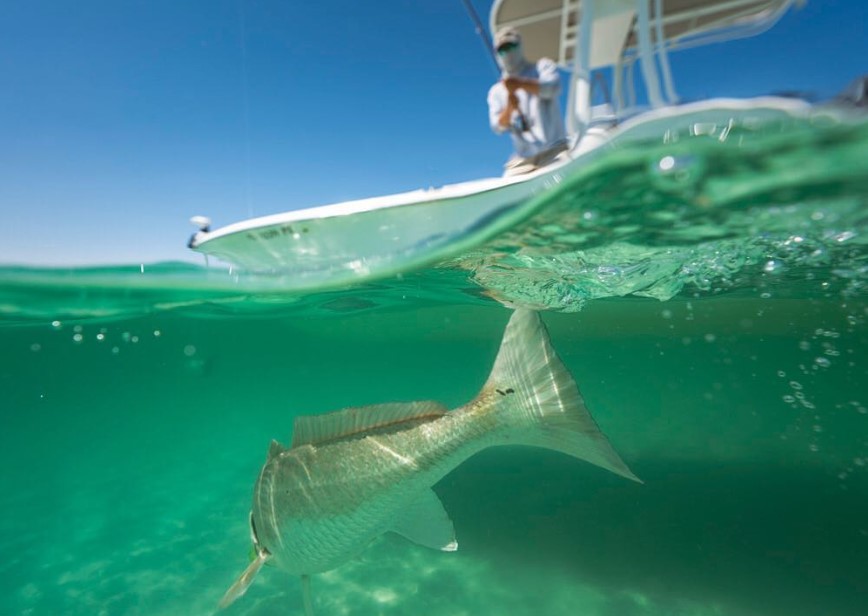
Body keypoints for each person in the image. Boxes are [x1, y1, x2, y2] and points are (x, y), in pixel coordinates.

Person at [487, 27, 567, 176]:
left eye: (511, 46)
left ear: (520, 46)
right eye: (502, 50)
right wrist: (510, 107)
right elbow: (497, 126)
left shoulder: (542, 66)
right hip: (523, 159)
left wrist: (520, 84)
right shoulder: (496, 91)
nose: (507, 53)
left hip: (556, 148)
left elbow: (553, 88)